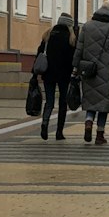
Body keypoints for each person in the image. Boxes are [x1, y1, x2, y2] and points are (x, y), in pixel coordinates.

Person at [73, 0, 109, 146]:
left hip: (89, 71)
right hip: (107, 73)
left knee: (91, 101)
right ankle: (100, 135)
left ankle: (88, 122)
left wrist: (74, 67)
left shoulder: (87, 26)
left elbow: (79, 49)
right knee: (103, 103)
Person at [37, 11, 76, 141]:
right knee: (63, 103)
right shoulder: (70, 38)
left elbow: (39, 53)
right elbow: (73, 59)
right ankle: (59, 132)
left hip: (48, 73)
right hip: (64, 75)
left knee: (49, 102)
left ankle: (45, 123)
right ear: (69, 25)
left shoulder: (48, 35)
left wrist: (35, 73)